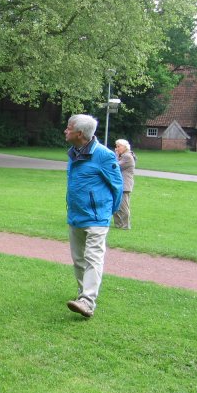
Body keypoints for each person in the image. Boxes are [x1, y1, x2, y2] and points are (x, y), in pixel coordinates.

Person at [65, 114, 123, 318]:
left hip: (97, 218)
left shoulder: (104, 156)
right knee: (79, 260)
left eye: (69, 128)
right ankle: (83, 296)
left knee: (93, 258)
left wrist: (107, 212)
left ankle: (88, 301)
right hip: (76, 216)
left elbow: (118, 187)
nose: (65, 131)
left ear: (80, 133)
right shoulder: (73, 153)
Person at [113, 139, 136, 230]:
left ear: (125, 147)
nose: (117, 148)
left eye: (119, 146)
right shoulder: (122, 156)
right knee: (116, 205)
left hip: (124, 184)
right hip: (119, 184)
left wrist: (115, 156)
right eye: (116, 146)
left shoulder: (127, 156)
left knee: (123, 206)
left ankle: (125, 225)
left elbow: (115, 166)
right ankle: (118, 224)